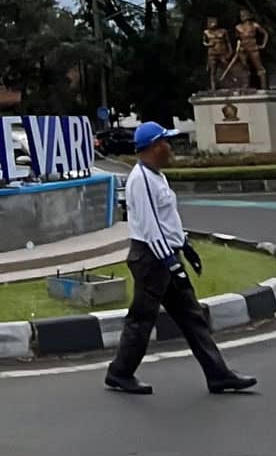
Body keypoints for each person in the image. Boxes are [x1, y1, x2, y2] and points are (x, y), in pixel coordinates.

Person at [105, 122, 258, 395]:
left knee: (192, 316)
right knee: (142, 319)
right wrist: (171, 262)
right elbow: (151, 228)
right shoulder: (141, 180)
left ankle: (218, 374)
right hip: (151, 260)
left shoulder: (157, 176)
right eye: (166, 142)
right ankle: (120, 372)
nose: (170, 148)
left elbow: (168, 222)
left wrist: (185, 247)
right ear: (154, 147)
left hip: (165, 256)